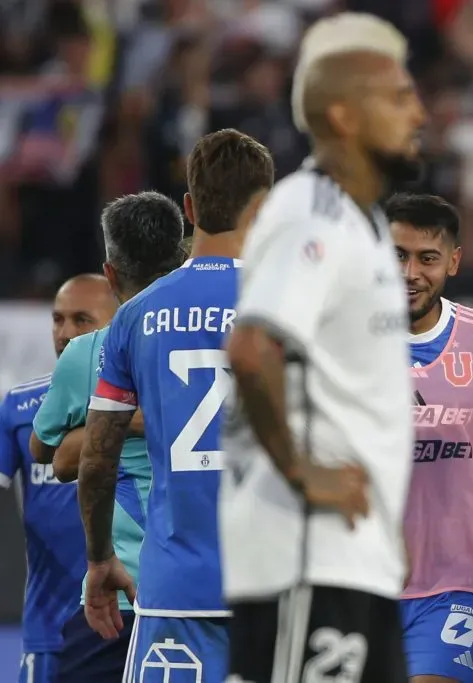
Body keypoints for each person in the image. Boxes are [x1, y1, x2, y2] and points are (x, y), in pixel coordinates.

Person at [219, 13, 424, 683]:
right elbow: (252, 348)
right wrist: (304, 471)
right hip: (306, 555)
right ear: (342, 115)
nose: (418, 112)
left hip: (353, 561)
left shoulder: (362, 223)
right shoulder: (312, 209)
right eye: (397, 97)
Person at [75, 129, 273, 683]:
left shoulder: (137, 316)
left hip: (175, 588)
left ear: (188, 208)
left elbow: (96, 461)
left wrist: (99, 559)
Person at [31, 194, 186, 683]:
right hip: (204, 587)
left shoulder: (88, 354)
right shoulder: (217, 339)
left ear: (111, 274)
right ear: (180, 259)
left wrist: (108, 427)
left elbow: (47, 452)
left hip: (120, 595)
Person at [384, 192, 473, 683]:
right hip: (364, 576)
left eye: (428, 258)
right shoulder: (345, 341)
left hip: (454, 577)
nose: (410, 273)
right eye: (397, 254)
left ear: (454, 262)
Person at [0, 275, 117, 683]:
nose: (65, 334)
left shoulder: (148, 405)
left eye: (82, 320)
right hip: (49, 634)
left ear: (118, 323)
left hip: (126, 622)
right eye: (57, 320)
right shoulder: (18, 407)